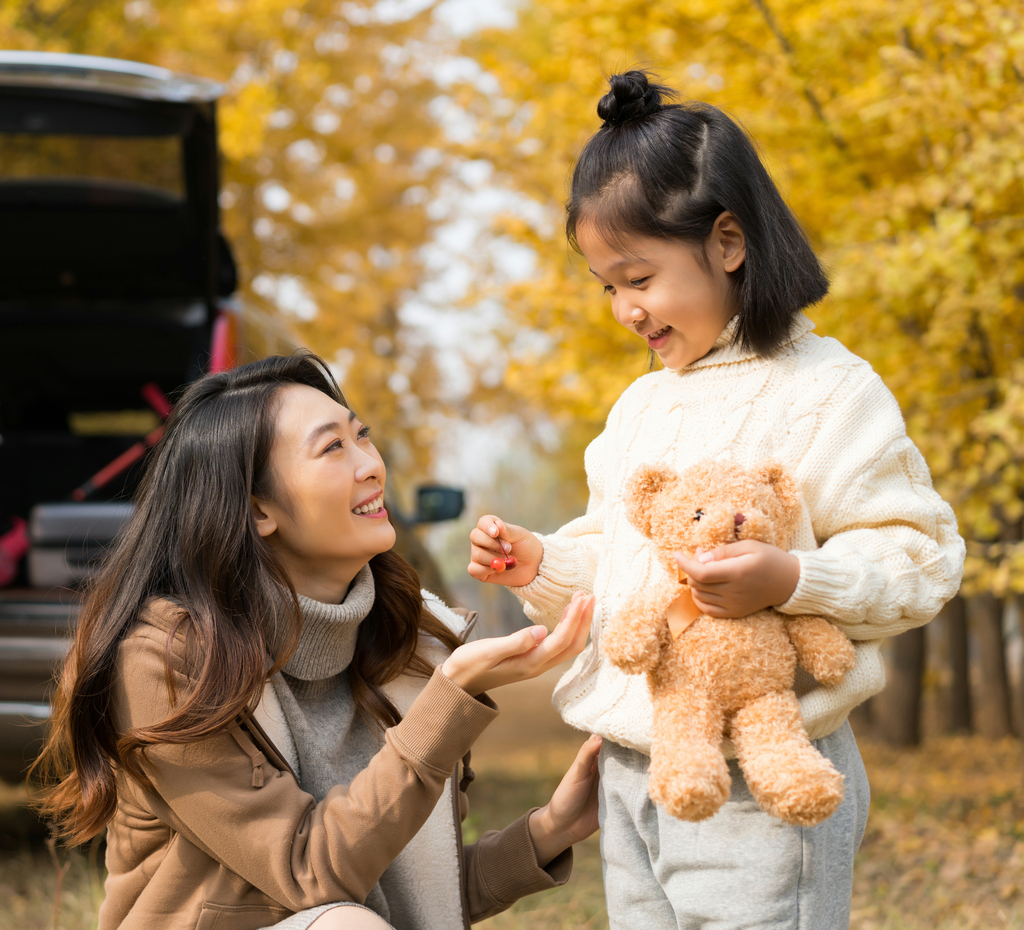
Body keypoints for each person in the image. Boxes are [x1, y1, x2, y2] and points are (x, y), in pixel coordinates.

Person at [468, 71, 965, 929]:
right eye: (606, 287)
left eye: (639, 278)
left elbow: (918, 557)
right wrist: (542, 562)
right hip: (639, 767)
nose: (625, 310)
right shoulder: (640, 407)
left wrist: (791, 581)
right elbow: (620, 564)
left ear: (728, 242)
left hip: (766, 776)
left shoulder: (830, 392)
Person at [33, 352, 601, 930]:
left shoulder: (411, 645)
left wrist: (549, 828)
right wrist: (447, 701)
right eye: (332, 448)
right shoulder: (170, 661)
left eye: (363, 437)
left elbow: (407, 893)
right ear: (258, 510)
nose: (371, 466)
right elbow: (310, 875)